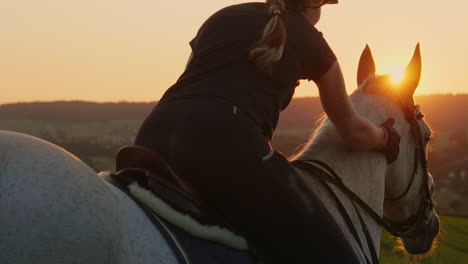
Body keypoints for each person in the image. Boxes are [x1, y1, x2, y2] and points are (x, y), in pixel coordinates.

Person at [135, 0, 399, 263]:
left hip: (153, 134)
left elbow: (191, 79)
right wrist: (384, 137)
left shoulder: (222, 16)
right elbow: (351, 130)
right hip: (226, 141)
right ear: (313, 4)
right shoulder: (312, 40)